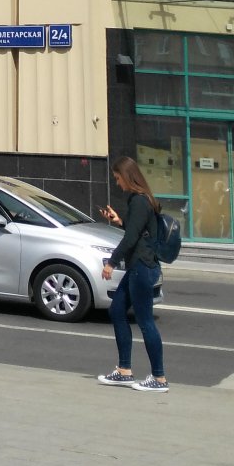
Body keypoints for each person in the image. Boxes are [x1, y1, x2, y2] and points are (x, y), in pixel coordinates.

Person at [96, 156, 167, 393]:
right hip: (140, 267)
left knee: (145, 321)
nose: (117, 183)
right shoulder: (143, 199)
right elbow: (137, 229)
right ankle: (124, 371)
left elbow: (131, 238)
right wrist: (119, 221)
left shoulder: (139, 201)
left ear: (127, 176)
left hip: (142, 268)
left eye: (118, 178)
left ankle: (159, 378)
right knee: (117, 310)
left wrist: (111, 262)